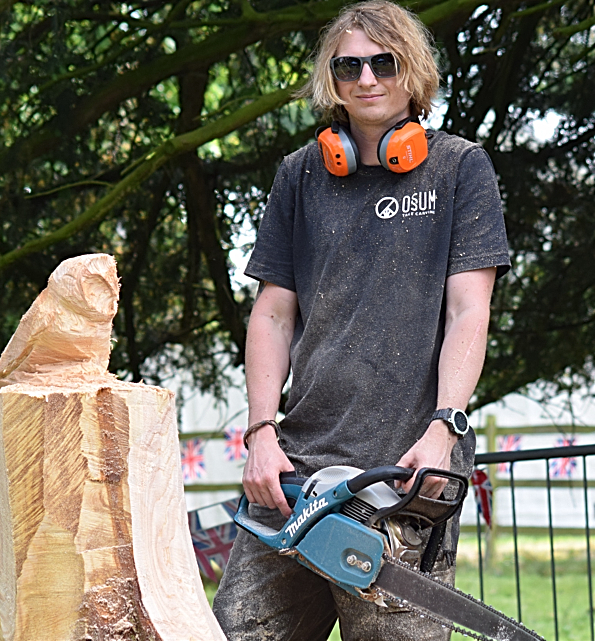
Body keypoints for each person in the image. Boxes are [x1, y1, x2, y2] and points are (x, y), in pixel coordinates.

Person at [212, 1, 510, 640]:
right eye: (349, 66)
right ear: (332, 80)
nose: (367, 78)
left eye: (385, 62)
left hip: (406, 470)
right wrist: (261, 432)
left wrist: (443, 430)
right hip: (292, 475)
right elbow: (271, 314)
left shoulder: (460, 168)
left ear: (413, 71)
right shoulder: (299, 176)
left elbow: (468, 310)